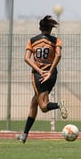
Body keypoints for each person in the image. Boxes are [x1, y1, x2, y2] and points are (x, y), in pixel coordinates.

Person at [16, 15, 68, 144]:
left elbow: (26, 58)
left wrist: (39, 71)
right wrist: (50, 71)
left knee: (43, 107)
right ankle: (24, 135)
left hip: (39, 76)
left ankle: (59, 105)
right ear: (51, 29)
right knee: (34, 103)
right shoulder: (56, 41)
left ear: (40, 28)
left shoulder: (32, 40)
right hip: (52, 75)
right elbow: (59, 55)